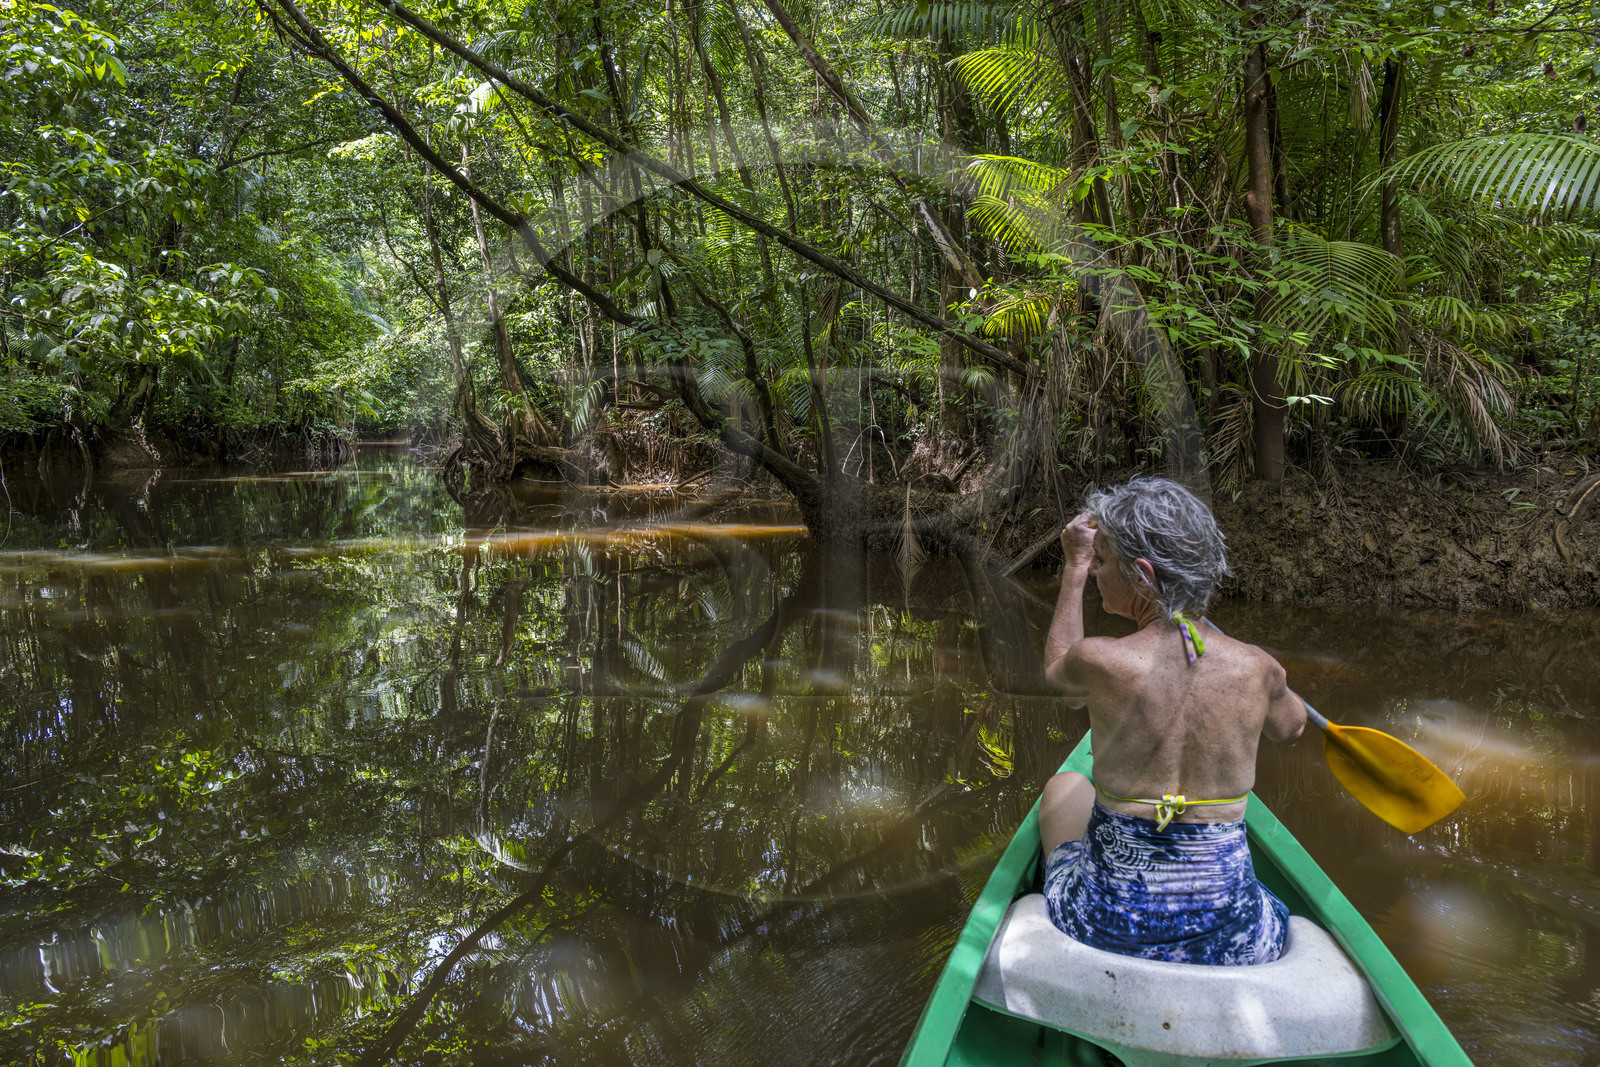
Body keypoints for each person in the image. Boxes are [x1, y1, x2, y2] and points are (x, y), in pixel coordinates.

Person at [1040, 476, 1306, 965]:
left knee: (1063, 787)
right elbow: (1291, 728)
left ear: (1143, 575)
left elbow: (1059, 674)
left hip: (1104, 926)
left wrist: (1073, 565)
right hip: (1235, 941)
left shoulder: (1099, 661)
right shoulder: (1258, 666)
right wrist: (1273, 682)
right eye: (1092, 562)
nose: (1096, 571)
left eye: (1101, 561)